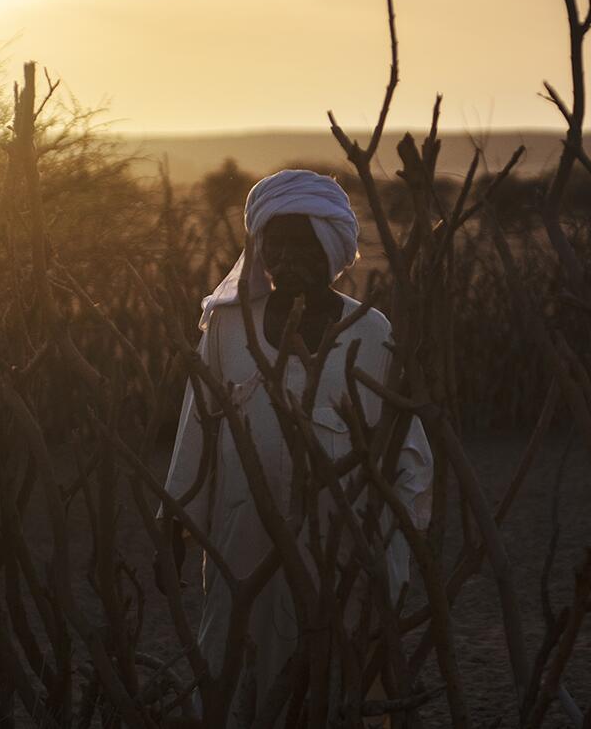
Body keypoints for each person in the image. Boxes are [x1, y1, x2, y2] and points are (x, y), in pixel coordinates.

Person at [159, 168, 433, 720]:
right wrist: (174, 525)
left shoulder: (370, 333)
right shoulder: (228, 328)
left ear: (330, 247)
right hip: (243, 548)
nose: (285, 258)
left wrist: (391, 553)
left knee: (330, 676)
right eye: (274, 243)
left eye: (301, 243)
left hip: (338, 551)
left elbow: (408, 459)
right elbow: (197, 430)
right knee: (239, 676)